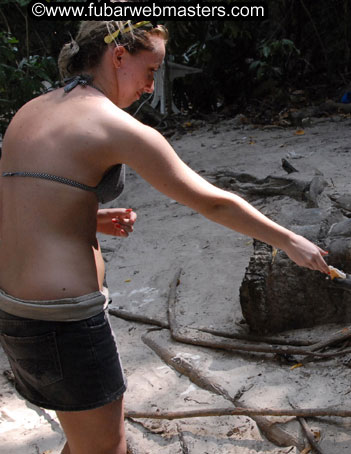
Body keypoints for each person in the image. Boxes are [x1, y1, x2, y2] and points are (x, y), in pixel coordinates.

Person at [0, 21, 330, 454]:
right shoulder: (114, 126)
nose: (150, 86)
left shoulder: (31, 110)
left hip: (14, 312)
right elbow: (211, 202)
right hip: (64, 319)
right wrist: (287, 239)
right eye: (150, 69)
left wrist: (89, 217)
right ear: (118, 57)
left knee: (85, 443)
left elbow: (18, 194)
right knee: (104, 449)